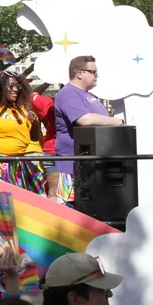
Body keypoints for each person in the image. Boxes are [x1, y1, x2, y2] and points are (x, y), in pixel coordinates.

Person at [53, 56, 122, 204]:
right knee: (72, 210)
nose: (96, 76)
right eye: (93, 72)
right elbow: (85, 120)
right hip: (74, 167)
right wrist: (118, 122)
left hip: (93, 164)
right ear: (80, 73)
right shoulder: (68, 93)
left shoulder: (88, 95)